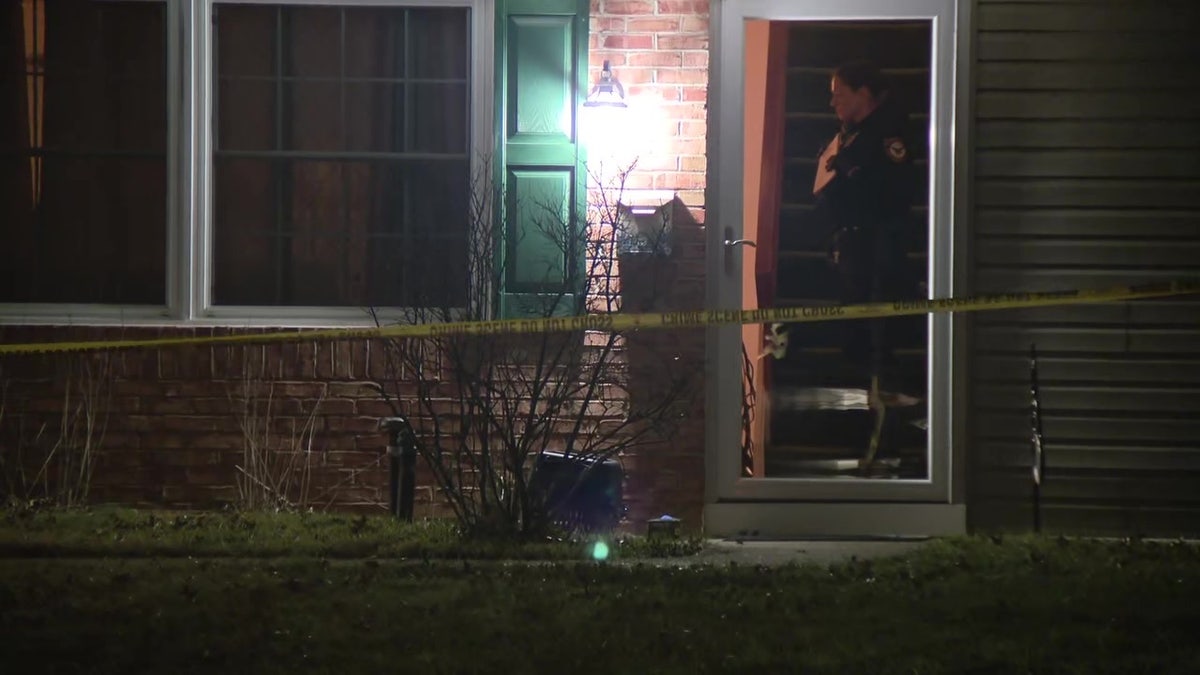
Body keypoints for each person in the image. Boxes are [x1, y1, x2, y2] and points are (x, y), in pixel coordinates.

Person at [812, 59, 919, 468]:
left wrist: (851, 171)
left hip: (878, 258)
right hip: (855, 252)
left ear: (863, 93)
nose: (833, 102)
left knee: (878, 348)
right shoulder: (851, 135)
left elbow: (893, 193)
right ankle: (868, 438)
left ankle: (885, 444)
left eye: (839, 93)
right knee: (857, 344)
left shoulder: (888, 134)